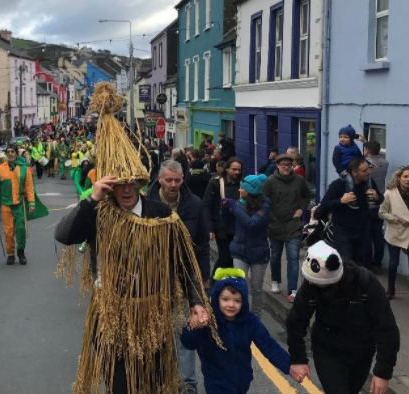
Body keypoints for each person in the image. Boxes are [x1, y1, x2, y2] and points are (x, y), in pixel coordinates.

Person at [54, 82, 214, 394]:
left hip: (153, 312)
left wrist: (197, 302)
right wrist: (92, 198)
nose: (126, 191)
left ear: (142, 182)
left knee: (155, 384)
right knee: (120, 385)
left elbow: (184, 260)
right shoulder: (99, 212)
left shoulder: (159, 213)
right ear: (109, 186)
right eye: (118, 185)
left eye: (132, 184)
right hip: (113, 315)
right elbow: (65, 235)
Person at [286, 242, 399, 394]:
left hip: (361, 353)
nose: (308, 284)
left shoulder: (365, 283)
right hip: (327, 350)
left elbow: (387, 327)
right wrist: (298, 359)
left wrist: (382, 372)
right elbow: (295, 322)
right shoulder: (311, 286)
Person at [146, 160, 210, 394]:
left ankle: (187, 385)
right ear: (160, 179)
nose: (173, 184)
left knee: (184, 333)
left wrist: (204, 278)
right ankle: (159, 381)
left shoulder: (194, 203)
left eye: (178, 180)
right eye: (169, 180)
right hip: (153, 282)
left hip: (185, 278)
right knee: (158, 335)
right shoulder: (146, 203)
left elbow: (202, 244)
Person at [181, 268, 290, 394]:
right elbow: (188, 342)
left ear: (243, 302)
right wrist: (193, 327)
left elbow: (268, 344)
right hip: (217, 383)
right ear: (217, 298)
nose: (231, 304)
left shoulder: (249, 320)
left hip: (242, 382)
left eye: (237, 301)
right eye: (225, 299)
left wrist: (289, 365)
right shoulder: (209, 319)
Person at [263, 154, 312, 303]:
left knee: (293, 257)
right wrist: (269, 216)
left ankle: (292, 290)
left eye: (288, 165)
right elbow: (264, 201)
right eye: (283, 164)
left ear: (292, 166)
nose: (286, 167)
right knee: (275, 255)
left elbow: (307, 196)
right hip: (275, 225)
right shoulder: (270, 181)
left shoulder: (299, 180)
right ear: (277, 166)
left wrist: (301, 209)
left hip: (293, 226)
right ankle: (275, 280)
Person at [379, 166, 409, 312]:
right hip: (395, 233)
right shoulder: (389, 193)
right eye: (405, 176)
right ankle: (391, 288)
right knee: (393, 263)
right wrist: (397, 219)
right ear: (399, 178)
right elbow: (382, 213)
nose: (408, 179)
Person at [316, 157, 382, 264]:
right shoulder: (338, 185)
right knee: (346, 262)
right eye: (364, 170)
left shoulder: (369, 183)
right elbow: (324, 204)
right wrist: (341, 200)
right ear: (355, 173)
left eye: (368, 169)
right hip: (343, 230)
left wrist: (377, 197)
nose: (368, 172)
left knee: (360, 263)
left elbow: (380, 200)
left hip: (362, 229)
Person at [222, 174, 270, 317]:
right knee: (241, 287)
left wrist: (233, 207)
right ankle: (241, 316)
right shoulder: (239, 203)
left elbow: (251, 224)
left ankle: (256, 317)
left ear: (250, 190)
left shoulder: (265, 206)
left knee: (256, 289)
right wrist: (225, 209)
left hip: (258, 253)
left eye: (242, 188)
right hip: (240, 251)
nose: (239, 190)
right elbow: (228, 221)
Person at [0, 144, 37, 265]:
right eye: (8, 152)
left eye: (12, 151)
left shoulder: (24, 169)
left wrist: (31, 203)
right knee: (8, 231)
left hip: (19, 203)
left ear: (16, 153)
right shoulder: (0, 169)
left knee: (21, 229)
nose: (10, 154)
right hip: (6, 204)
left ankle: (20, 252)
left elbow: (29, 187)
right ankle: (10, 254)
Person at [204, 157, 243, 272]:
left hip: (238, 227)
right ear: (227, 169)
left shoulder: (243, 184)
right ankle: (214, 281)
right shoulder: (215, 183)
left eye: (239, 170)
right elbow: (207, 205)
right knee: (225, 258)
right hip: (221, 227)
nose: (237, 172)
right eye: (234, 169)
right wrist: (209, 228)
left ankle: (227, 282)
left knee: (234, 258)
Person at [365, 141, 390, 273]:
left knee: (367, 235)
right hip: (379, 202)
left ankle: (368, 263)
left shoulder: (364, 164)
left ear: (367, 151)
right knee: (378, 235)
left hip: (367, 204)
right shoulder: (385, 164)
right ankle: (378, 263)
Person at [332, 125, 366, 195]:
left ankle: (368, 193)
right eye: (340, 137)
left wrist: (368, 164)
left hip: (355, 168)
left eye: (345, 137)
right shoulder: (338, 148)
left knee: (367, 177)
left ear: (351, 138)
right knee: (349, 181)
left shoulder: (355, 146)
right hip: (345, 170)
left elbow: (360, 157)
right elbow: (335, 161)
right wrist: (341, 171)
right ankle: (350, 197)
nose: (342, 139)